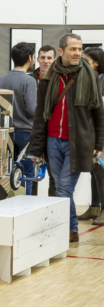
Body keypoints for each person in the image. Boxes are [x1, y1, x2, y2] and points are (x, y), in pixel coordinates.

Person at [30, 34, 104, 243]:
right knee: (58, 187)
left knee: (63, 189)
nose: (77, 53)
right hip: (53, 141)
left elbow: (99, 113)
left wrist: (99, 145)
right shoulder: (48, 76)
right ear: (61, 51)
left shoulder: (89, 76)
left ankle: (64, 230)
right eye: (73, 49)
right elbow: (39, 114)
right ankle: (71, 230)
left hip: (78, 143)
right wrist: (36, 149)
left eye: (80, 49)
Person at [0, 43, 37, 195]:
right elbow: (33, 109)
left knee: (8, 174)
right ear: (29, 58)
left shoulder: (0, 80)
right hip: (25, 133)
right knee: (26, 174)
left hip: (5, 133)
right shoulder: (29, 81)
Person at [78, 47, 104, 224]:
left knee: (101, 171)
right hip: (94, 130)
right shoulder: (95, 78)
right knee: (94, 170)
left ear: (96, 63)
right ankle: (94, 207)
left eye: (86, 60)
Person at [31, 45, 57, 197]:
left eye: (49, 58)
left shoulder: (59, 80)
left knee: (54, 176)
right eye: (43, 57)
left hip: (53, 134)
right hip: (33, 132)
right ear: (37, 59)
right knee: (31, 176)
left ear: (55, 59)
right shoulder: (30, 79)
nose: (46, 61)